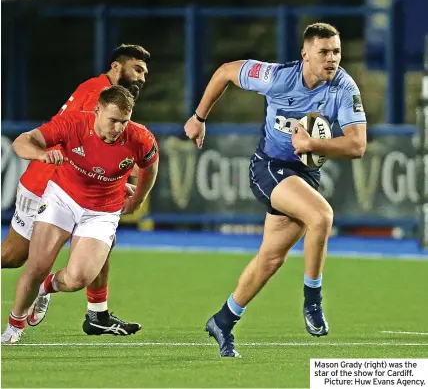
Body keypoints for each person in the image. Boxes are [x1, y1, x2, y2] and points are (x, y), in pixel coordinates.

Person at [184, 23, 367, 357]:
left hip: (303, 174)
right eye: (323, 52)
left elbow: (357, 145)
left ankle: (223, 320)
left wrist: (311, 143)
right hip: (268, 167)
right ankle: (313, 301)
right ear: (305, 54)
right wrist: (199, 117)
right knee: (322, 216)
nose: (331, 59)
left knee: (270, 259)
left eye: (336, 52)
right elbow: (225, 71)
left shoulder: (343, 87)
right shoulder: (276, 77)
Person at [2, 44, 150, 336]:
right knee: (13, 256)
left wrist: (112, 179)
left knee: (103, 240)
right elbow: (84, 143)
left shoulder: (107, 95)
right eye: (138, 68)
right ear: (117, 67)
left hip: (78, 183)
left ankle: (98, 313)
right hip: (49, 181)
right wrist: (110, 177)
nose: (143, 77)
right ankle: (89, 310)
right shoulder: (97, 95)